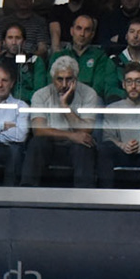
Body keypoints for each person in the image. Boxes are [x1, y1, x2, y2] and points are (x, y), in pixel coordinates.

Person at [21, 54, 101, 187]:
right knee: (37, 143)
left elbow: (86, 129)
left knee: (84, 146)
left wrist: (65, 106)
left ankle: (85, 196)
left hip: (75, 147)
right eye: (60, 79)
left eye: (69, 79)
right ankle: (28, 192)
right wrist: (71, 135)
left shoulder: (89, 93)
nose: (64, 85)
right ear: (53, 79)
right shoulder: (40, 95)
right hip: (50, 145)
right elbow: (39, 130)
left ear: (76, 79)